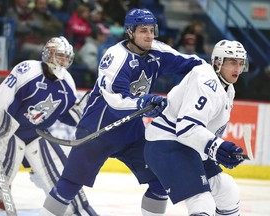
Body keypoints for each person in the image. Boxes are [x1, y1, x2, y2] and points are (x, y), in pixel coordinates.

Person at [40, 8, 205, 216]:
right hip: (98, 128)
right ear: (130, 32)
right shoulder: (115, 57)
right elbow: (115, 100)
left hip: (132, 131)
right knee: (69, 185)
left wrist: (215, 72)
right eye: (143, 30)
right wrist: (143, 103)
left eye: (152, 30)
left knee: (161, 180)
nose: (149, 35)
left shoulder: (158, 51)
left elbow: (192, 64)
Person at [0, 36, 98, 216]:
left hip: (37, 135)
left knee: (64, 180)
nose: (64, 61)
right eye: (60, 56)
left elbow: (70, 114)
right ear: (48, 54)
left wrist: (91, 116)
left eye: (67, 57)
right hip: (10, 133)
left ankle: (77, 212)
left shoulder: (67, 81)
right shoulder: (27, 70)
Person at [144, 40, 248, 215]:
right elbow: (187, 128)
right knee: (202, 202)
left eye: (240, 62)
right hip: (166, 143)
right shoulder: (206, 80)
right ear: (217, 62)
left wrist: (219, 149)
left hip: (189, 146)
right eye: (232, 62)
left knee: (227, 192)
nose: (237, 68)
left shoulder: (228, 89)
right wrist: (218, 147)